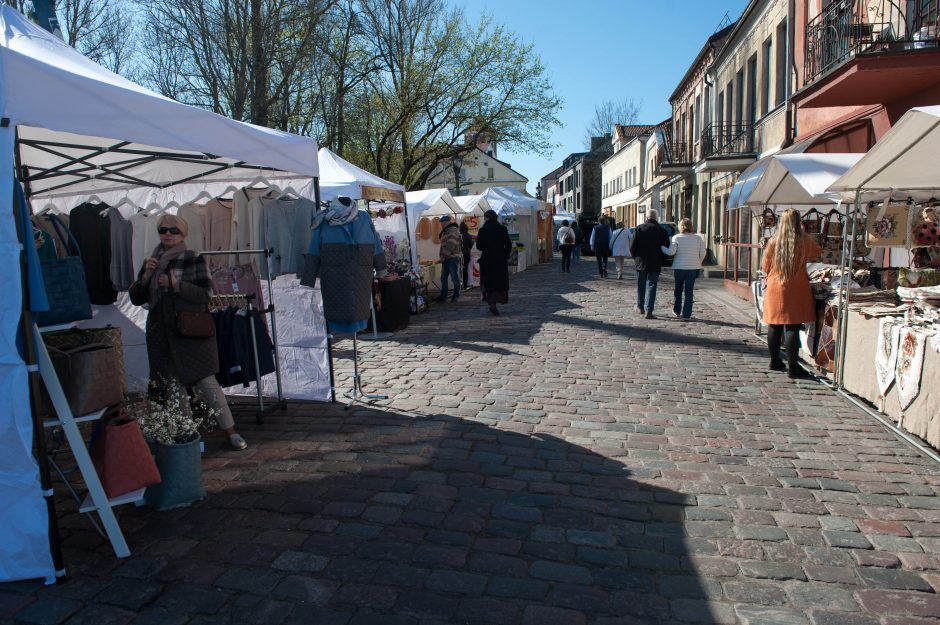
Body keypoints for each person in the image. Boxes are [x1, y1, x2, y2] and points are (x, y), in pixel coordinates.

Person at [128, 214, 247, 451]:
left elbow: (206, 295)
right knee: (173, 387)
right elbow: (136, 298)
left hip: (190, 331)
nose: (168, 234)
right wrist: (144, 278)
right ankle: (188, 437)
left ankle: (231, 431)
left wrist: (176, 285)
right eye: (163, 230)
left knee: (207, 382)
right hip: (160, 333)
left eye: (174, 230)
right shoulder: (150, 261)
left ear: (183, 234)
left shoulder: (193, 259)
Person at [762, 208, 821, 379]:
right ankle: (793, 366)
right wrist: (803, 232)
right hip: (796, 286)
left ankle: (774, 360)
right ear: (797, 222)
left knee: (774, 324)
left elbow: (765, 266)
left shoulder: (774, 241)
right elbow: (817, 251)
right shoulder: (803, 241)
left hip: (775, 286)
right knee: (793, 325)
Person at [630, 209, 670, 319]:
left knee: (641, 285)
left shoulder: (639, 229)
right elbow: (666, 248)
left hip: (641, 262)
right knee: (652, 286)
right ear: (655, 218)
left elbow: (632, 246)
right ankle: (649, 310)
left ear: (646, 217)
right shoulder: (662, 230)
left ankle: (640, 307)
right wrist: (662, 260)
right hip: (655, 262)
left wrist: (636, 258)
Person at [662, 218, 706, 320]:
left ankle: (677, 310)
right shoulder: (698, 238)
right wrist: (697, 262)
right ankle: (687, 314)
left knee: (678, 289)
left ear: (680, 226)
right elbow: (703, 253)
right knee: (689, 291)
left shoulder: (676, 237)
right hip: (692, 268)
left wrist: (662, 248)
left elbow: (671, 252)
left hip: (679, 267)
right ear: (691, 226)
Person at [476, 209, 513, 315]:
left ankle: (491, 303)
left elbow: (479, 246)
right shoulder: (502, 229)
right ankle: (494, 302)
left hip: (487, 259)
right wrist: (505, 255)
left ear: (487, 218)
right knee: (499, 282)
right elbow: (508, 244)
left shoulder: (482, 230)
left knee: (489, 282)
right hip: (500, 259)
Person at [437, 215, 461, 302]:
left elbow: (451, 245)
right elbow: (444, 246)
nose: (441, 224)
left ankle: (456, 296)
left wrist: (443, 256)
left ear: (447, 222)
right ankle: (444, 296)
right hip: (447, 258)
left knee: (454, 278)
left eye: (442, 222)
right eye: (441, 223)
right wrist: (442, 256)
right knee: (443, 278)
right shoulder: (446, 231)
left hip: (452, 258)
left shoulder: (452, 231)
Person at [460, 221, 473, 290]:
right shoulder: (468, 235)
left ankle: (460, 284)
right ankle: (465, 285)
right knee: (465, 270)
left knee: (460, 270)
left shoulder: (459, 235)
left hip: (459, 254)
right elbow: (470, 245)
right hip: (466, 254)